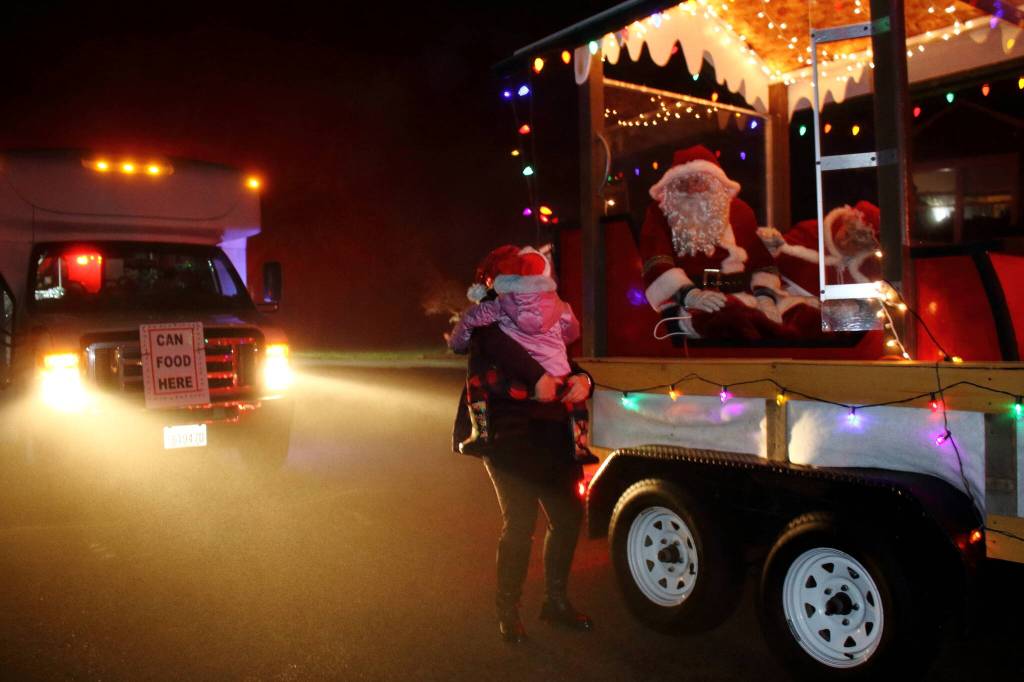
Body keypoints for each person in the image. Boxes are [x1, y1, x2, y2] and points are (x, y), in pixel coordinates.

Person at [450, 255, 595, 645]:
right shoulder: (487, 329)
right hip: (506, 437)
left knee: (567, 518)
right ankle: (507, 610)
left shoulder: (544, 323)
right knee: (520, 524)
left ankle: (555, 602)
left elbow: (567, 364)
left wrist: (584, 379)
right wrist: (531, 386)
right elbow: (482, 379)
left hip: (553, 436)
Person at [638, 144, 817, 340]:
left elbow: (762, 262)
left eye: (699, 180)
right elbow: (656, 262)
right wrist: (691, 295)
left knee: (806, 316)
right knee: (735, 323)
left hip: (744, 296)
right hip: (688, 304)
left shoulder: (740, 211)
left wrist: (766, 298)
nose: (691, 187)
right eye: (683, 182)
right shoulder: (660, 212)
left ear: (715, 182)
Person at [448, 245, 597, 465]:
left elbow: (556, 356)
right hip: (520, 432)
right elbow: (504, 347)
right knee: (546, 498)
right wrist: (546, 376)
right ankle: (580, 445)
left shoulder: (490, 312)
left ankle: (481, 433)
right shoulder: (552, 306)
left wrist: (584, 381)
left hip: (521, 433)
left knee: (477, 383)